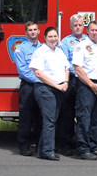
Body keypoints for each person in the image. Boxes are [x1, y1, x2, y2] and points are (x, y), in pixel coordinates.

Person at [29, 27, 71, 161]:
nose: (53, 39)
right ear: (45, 38)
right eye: (50, 37)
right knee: (50, 121)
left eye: (55, 36)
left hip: (58, 88)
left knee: (52, 120)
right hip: (45, 89)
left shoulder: (59, 52)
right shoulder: (40, 52)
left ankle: (42, 150)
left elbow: (67, 68)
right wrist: (56, 85)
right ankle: (48, 151)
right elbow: (38, 73)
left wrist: (65, 82)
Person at [72, 20, 97, 160]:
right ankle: (83, 149)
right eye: (92, 30)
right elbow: (77, 69)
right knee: (84, 118)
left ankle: (94, 147)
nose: (94, 33)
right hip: (86, 86)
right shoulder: (81, 46)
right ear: (87, 31)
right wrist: (91, 84)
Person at [57, 14, 86, 156]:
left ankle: (83, 143)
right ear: (70, 27)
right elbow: (63, 62)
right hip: (72, 81)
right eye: (75, 25)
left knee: (84, 115)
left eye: (80, 25)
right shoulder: (65, 42)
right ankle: (65, 145)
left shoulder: (89, 40)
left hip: (86, 82)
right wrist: (77, 70)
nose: (78, 27)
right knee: (67, 115)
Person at [14, 20, 43, 157]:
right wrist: (40, 79)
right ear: (26, 33)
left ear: (38, 31)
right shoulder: (21, 49)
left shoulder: (44, 48)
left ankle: (39, 144)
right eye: (30, 30)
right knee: (26, 117)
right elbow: (23, 71)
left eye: (35, 29)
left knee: (40, 117)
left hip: (42, 86)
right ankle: (24, 146)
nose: (33, 32)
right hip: (28, 86)